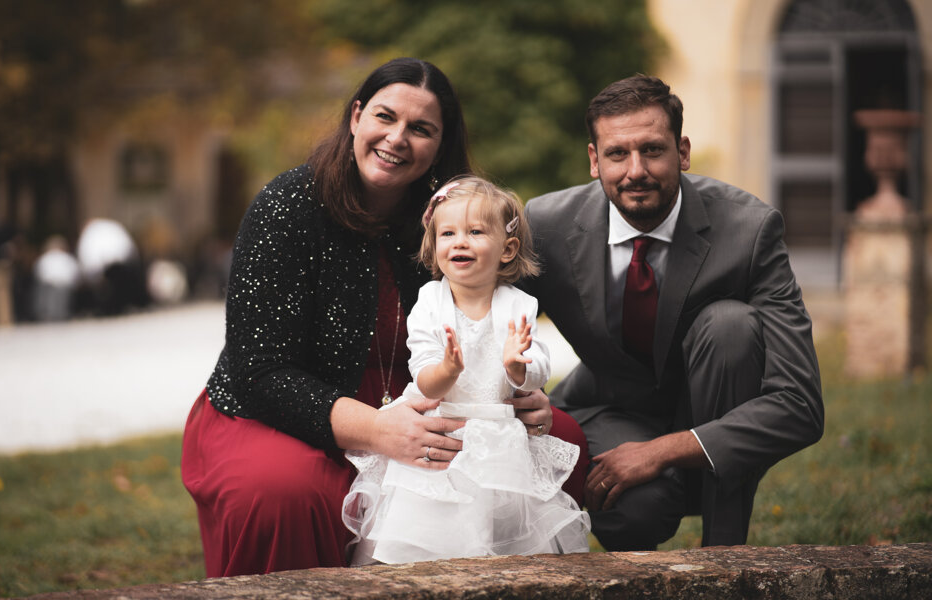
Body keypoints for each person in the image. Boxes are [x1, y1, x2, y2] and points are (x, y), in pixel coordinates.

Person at [180, 58, 588, 577]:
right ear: (356, 117)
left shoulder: (453, 218)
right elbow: (260, 372)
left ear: (441, 145)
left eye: (421, 129)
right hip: (287, 407)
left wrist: (517, 394)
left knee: (561, 441)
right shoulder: (286, 208)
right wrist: (374, 429)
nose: (397, 138)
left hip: (423, 391)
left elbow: (490, 325)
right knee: (284, 492)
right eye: (384, 117)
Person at [522, 75, 824, 550]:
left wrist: (666, 450)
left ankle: (726, 558)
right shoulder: (545, 225)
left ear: (682, 152)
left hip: (714, 407)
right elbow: (482, 314)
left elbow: (800, 405)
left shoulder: (749, 230)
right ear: (593, 160)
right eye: (618, 154)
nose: (635, 170)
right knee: (634, 508)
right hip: (609, 406)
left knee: (731, 326)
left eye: (653, 150)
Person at [342, 176, 590, 565]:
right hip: (440, 435)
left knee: (499, 547)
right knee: (423, 540)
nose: (459, 241)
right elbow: (423, 376)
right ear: (434, 244)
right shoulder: (430, 301)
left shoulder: (518, 304)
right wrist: (447, 369)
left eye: (475, 232)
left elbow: (539, 367)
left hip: (499, 440)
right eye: (448, 233)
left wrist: (517, 368)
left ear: (507, 249)